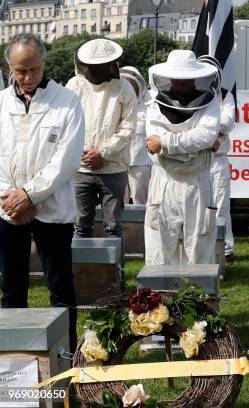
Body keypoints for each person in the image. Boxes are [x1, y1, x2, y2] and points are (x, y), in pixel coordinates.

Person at [0, 33, 85, 352]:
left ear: (43, 63)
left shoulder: (67, 102)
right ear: (9, 66)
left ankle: (68, 360)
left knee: (60, 287)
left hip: (52, 208)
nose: (27, 77)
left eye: (33, 69)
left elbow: (66, 158)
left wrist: (30, 195)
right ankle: (13, 358)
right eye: (20, 71)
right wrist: (11, 198)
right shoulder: (1, 102)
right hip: (8, 209)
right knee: (11, 288)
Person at [144, 50, 221, 265]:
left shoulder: (210, 103)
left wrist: (167, 143)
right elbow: (152, 142)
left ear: (196, 77)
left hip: (197, 182)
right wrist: (191, 147)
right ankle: (162, 299)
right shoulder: (154, 104)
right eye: (177, 77)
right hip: (164, 182)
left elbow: (205, 135)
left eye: (186, 78)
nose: (180, 82)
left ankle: (198, 299)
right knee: (160, 249)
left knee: (198, 249)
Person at [67, 39, 137, 242]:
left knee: (113, 228)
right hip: (81, 169)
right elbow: (67, 123)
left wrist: (102, 153)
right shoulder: (74, 85)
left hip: (113, 168)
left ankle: (116, 274)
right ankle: (81, 274)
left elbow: (127, 128)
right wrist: (85, 154)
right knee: (80, 226)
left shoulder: (124, 88)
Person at [197, 55, 236, 262]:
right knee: (199, 204)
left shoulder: (224, 95)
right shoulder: (192, 95)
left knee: (222, 204)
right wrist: (212, 129)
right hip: (197, 158)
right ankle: (203, 249)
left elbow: (228, 122)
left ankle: (226, 248)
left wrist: (206, 127)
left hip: (218, 159)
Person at [120, 66, 152, 205]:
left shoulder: (149, 104)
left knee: (142, 200)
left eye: (132, 83)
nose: (130, 86)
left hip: (142, 161)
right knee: (119, 200)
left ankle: (142, 226)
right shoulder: (116, 103)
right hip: (118, 161)